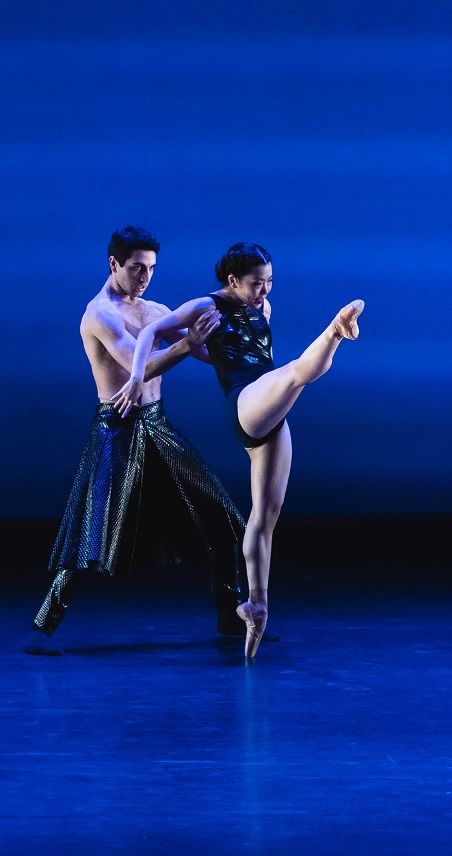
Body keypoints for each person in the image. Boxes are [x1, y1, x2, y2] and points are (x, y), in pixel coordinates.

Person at [114, 242, 364, 658]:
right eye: (256, 283)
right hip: (246, 403)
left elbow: (242, 350)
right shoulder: (205, 305)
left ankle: (256, 606)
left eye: (269, 283)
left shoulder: (262, 309)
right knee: (295, 374)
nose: (264, 291)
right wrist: (138, 375)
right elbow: (151, 333)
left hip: (271, 412)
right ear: (232, 280)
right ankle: (337, 330)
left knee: (264, 518)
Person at [25, 227, 248, 656]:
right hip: (118, 427)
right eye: (136, 268)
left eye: (151, 269)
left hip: (157, 424)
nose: (145, 277)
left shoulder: (153, 309)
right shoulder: (100, 315)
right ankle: (42, 626)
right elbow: (136, 368)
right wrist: (187, 343)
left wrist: (242, 333)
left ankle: (229, 615)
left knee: (221, 513)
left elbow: (209, 351)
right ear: (114, 264)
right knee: (92, 527)